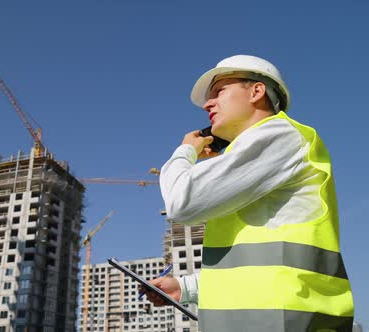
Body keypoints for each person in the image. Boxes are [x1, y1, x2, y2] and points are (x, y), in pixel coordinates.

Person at [143, 55, 354, 331]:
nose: (208, 104)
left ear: (256, 92)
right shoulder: (253, 158)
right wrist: (183, 288)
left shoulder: (280, 135)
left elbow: (182, 201)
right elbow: (255, 267)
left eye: (219, 92)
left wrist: (185, 152)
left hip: (286, 321)